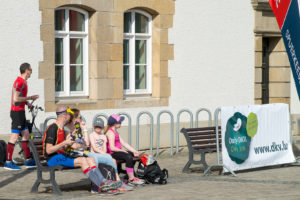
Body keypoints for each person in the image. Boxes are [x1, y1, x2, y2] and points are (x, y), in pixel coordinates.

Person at [43, 105, 121, 194]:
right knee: (83, 160)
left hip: (62, 155)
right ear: (65, 116)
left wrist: (75, 137)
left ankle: (103, 183)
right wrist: (65, 143)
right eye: (69, 115)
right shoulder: (53, 128)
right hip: (52, 159)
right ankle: (103, 185)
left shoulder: (62, 129)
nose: (70, 117)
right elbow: (48, 150)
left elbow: (70, 146)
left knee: (90, 159)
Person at [4, 63, 39, 170]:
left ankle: (28, 160)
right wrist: (30, 97)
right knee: (14, 137)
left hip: (21, 112)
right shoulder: (19, 82)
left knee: (26, 135)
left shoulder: (23, 82)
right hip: (17, 113)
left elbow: (20, 98)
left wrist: (27, 104)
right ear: (27, 70)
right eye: (31, 70)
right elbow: (16, 99)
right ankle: (8, 162)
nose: (31, 72)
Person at [89, 117, 133, 192]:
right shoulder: (91, 135)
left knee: (113, 160)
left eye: (99, 127)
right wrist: (104, 154)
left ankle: (117, 180)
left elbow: (105, 148)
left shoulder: (103, 136)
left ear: (102, 127)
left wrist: (104, 154)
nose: (98, 128)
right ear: (93, 127)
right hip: (94, 155)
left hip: (102, 154)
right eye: (96, 126)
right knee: (96, 163)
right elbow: (95, 148)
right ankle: (95, 185)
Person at [105, 114, 145, 185]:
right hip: (112, 154)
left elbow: (124, 143)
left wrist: (134, 151)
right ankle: (131, 179)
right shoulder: (110, 133)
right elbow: (112, 147)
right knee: (128, 156)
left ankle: (129, 174)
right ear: (114, 123)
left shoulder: (116, 132)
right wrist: (123, 151)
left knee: (132, 154)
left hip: (117, 152)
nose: (121, 123)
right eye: (119, 122)